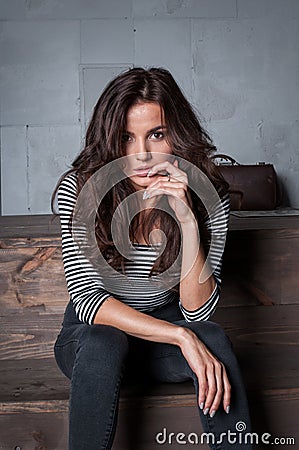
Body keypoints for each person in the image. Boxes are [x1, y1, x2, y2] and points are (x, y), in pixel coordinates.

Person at [52, 67, 252, 450]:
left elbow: (197, 314)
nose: (141, 154)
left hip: (157, 347)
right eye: (126, 137)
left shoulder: (209, 196)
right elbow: (89, 301)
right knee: (104, 341)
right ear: (110, 139)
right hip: (91, 341)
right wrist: (179, 335)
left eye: (156, 134)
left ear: (177, 133)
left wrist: (187, 217)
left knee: (212, 339)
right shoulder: (80, 190)